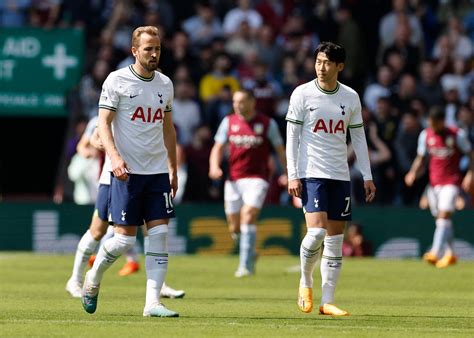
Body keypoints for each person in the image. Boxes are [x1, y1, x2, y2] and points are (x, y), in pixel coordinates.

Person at [81, 26, 179, 318]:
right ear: (134, 51)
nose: (154, 54)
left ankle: (152, 304)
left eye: (157, 48)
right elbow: (103, 124)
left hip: (157, 172)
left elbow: (168, 128)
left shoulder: (165, 84)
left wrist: (173, 168)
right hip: (127, 173)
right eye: (148, 49)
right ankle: (93, 278)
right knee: (124, 240)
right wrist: (115, 159)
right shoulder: (117, 80)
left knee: (160, 235)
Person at [286, 42, 376, 316]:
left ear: (340, 66)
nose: (321, 68)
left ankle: (327, 301)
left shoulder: (350, 97)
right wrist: (292, 174)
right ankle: (305, 281)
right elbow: (292, 137)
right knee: (316, 233)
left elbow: (358, 137)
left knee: (336, 241)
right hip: (312, 173)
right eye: (318, 61)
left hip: (340, 175)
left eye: (326, 63)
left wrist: (367, 175)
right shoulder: (302, 93)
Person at [66, 118, 185, 299]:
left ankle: (158, 286)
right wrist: (102, 146)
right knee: (98, 231)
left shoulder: (145, 107)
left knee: (153, 231)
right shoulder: (104, 113)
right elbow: (89, 140)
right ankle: (75, 279)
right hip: (111, 179)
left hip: (144, 177)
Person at [209, 88, 287, 277]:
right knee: (234, 226)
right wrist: (214, 167)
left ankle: (245, 266)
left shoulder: (267, 123)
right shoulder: (228, 121)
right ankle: (251, 251)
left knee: (248, 215)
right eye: (235, 102)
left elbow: (280, 150)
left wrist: (287, 173)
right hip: (233, 180)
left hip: (257, 179)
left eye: (241, 101)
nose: (237, 105)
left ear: (253, 102)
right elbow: (217, 147)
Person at [405, 107, 473, 268]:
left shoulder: (457, 134)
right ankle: (450, 254)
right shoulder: (425, 135)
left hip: (451, 182)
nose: (432, 127)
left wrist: (470, 175)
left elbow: (471, 155)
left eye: (435, 124)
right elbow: (421, 158)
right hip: (433, 184)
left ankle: (435, 252)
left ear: (442, 122)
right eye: (430, 123)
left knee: (443, 216)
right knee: (442, 220)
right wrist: (412, 172)